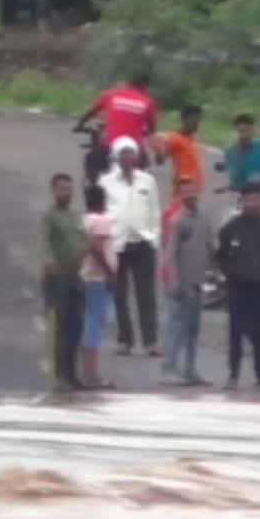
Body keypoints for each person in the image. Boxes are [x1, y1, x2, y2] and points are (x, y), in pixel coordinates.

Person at [99, 137, 162, 357]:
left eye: (131, 153)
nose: (127, 157)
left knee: (146, 294)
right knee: (119, 294)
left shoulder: (147, 180)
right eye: (123, 153)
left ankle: (150, 341)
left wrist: (154, 238)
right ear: (116, 156)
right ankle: (125, 340)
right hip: (117, 244)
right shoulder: (106, 182)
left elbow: (154, 211)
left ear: (136, 156)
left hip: (142, 242)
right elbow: (101, 212)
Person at [216, 183, 260, 389]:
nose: (252, 204)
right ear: (242, 202)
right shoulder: (232, 227)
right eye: (248, 200)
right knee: (235, 332)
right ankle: (233, 375)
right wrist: (229, 272)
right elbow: (220, 254)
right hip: (238, 286)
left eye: (256, 200)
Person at [162, 179, 214, 386]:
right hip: (180, 281)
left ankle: (190, 369)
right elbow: (170, 254)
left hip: (197, 281)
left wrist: (215, 272)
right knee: (176, 326)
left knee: (193, 328)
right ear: (179, 196)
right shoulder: (178, 221)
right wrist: (173, 281)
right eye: (185, 193)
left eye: (192, 191)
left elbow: (210, 247)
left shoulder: (204, 218)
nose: (190, 195)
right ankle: (170, 368)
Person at [40, 173, 86, 390]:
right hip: (57, 278)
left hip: (76, 276)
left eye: (69, 189)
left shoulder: (75, 215)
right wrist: (49, 262)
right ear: (53, 191)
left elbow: (82, 238)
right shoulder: (50, 216)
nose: (66, 193)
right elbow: (45, 242)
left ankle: (71, 373)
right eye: (62, 189)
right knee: (60, 328)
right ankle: (60, 377)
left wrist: (84, 251)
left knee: (76, 327)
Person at [74, 72, 158, 180]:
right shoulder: (148, 102)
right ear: (145, 86)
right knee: (144, 164)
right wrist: (148, 133)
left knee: (90, 159)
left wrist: (80, 124)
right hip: (134, 149)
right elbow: (152, 128)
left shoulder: (110, 95)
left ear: (128, 83)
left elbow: (91, 112)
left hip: (110, 145)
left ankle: (93, 187)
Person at [79, 184, 117, 390]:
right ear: (103, 201)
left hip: (85, 277)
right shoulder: (101, 221)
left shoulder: (83, 220)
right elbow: (95, 247)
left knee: (88, 323)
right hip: (97, 279)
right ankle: (92, 375)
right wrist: (109, 272)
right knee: (95, 325)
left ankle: (87, 373)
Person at [156, 105, 204, 195]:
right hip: (183, 188)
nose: (197, 124)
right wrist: (158, 151)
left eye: (198, 120)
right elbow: (160, 161)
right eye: (194, 121)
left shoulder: (192, 137)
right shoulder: (174, 138)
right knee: (183, 208)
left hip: (193, 189)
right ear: (184, 120)